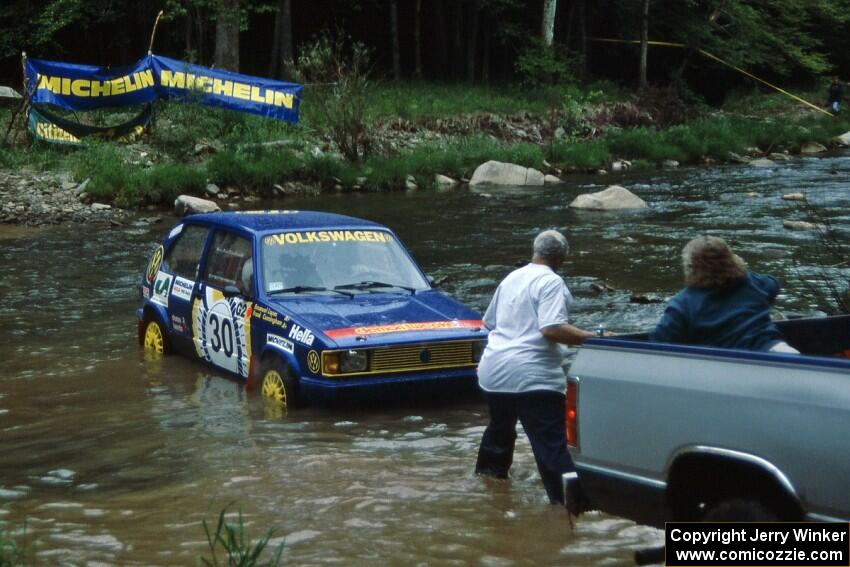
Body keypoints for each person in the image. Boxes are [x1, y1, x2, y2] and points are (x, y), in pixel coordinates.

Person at [474, 229, 608, 514]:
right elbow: (552, 328)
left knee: (500, 430)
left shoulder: (512, 277)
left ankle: (489, 489)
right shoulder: (551, 281)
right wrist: (594, 338)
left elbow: (489, 322)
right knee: (551, 442)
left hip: (494, 371)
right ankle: (572, 508)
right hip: (532, 375)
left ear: (535, 251)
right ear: (563, 257)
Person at [650, 235, 798, 353]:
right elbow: (774, 285)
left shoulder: (683, 303)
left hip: (726, 363)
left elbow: (659, 342)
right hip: (774, 351)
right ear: (732, 260)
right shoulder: (753, 282)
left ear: (690, 267)